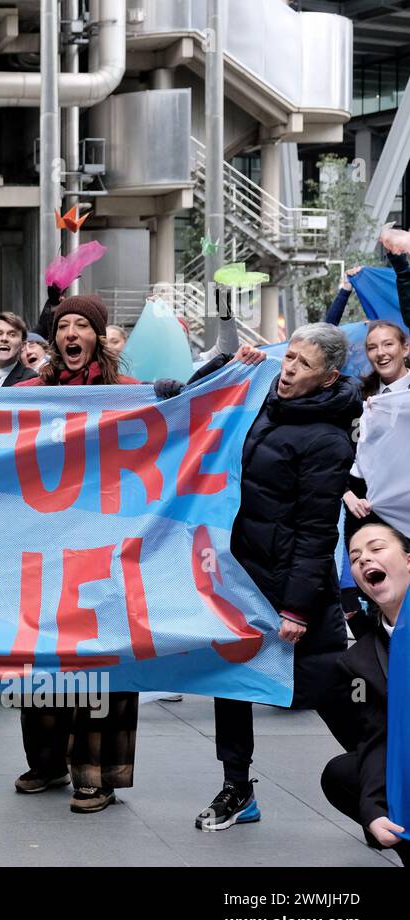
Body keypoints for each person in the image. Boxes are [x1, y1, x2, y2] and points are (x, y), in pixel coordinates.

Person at [193, 324, 364, 830]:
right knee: (233, 680)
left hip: (293, 588)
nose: (288, 370)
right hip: (239, 575)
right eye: (288, 357)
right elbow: (195, 403)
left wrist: (296, 608)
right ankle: (237, 788)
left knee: (327, 688)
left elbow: (317, 532)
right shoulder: (260, 394)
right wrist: (226, 367)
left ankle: (388, 778)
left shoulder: (329, 440)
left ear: (329, 377)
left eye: (302, 365)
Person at [7, 294, 140, 813]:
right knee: (40, 654)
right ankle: (46, 762)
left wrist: (175, 397)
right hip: (41, 549)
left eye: (82, 325)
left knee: (100, 658)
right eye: (64, 325)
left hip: (106, 548)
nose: (71, 333)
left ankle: (96, 774)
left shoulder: (129, 394)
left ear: (98, 337)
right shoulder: (26, 394)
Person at [322, 522, 409, 866]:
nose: (363, 560)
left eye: (376, 548)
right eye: (355, 557)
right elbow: (376, 735)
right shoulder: (361, 660)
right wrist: (373, 811)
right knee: (343, 774)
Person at [342, 321, 410, 540]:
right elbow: (340, 450)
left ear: (405, 348)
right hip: (366, 509)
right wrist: (346, 493)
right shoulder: (358, 398)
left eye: (388, 344)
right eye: (372, 347)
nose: (381, 353)